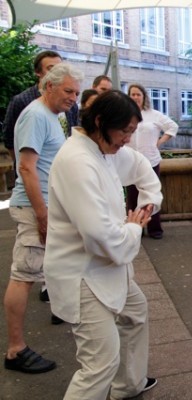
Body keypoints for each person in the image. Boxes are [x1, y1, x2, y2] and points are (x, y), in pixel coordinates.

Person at [44, 90, 161, 400]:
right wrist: (133, 229)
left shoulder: (102, 149)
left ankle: (128, 385)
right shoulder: (78, 161)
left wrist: (148, 203)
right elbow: (99, 235)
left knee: (135, 312)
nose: (127, 140)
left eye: (132, 132)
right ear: (100, 122)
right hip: (82, 274)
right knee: (99, 364)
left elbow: (139, 165)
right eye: (125, 131)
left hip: (106, 265)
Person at [3, 63, 83, 374]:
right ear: (48, 86)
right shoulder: (36, 115)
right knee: (24, 275)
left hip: (49, 206)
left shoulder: (53, 115)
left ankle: (70, 316)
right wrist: (42, 214)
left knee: (56, 266)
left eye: (76, 93)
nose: (73, 98)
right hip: (34, 207)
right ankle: (15, 350)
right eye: (68, 91)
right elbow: (26, 167)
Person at [3, 50, 79, 178]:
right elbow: (10, 140)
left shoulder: (71, 104)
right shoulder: (25, 103)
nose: (57, 72)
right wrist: (30, 168)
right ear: (38, 72)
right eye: (51, 68)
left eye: (60, 68)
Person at [126, 83, 179, 240]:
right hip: (130, 162)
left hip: (150, 161)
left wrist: (160, 142)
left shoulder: (154, 115)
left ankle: (155, 229)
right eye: (132, 94)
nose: (135, 97)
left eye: (138, 94)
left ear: (144, 97)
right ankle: (135, 228)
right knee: (132, 197)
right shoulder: (124, 114)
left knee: (151, 195)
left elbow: (172, 126)